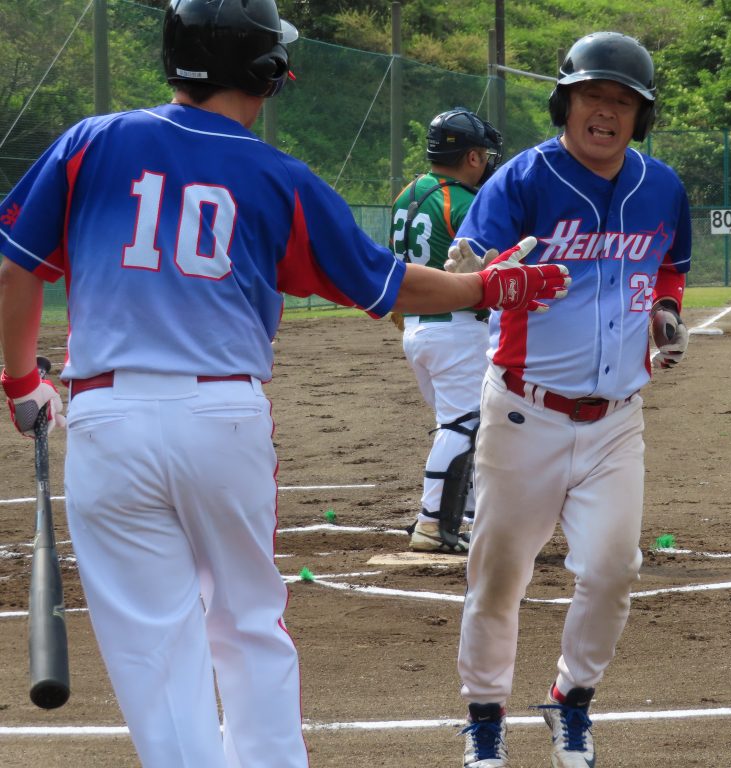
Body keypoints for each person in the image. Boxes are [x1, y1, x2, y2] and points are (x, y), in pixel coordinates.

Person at [0, 1, 569, 765]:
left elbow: (15, 269)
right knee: (246, 624)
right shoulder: (277, 177)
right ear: (268, 73)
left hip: (108, 415)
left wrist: (21, 380)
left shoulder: (91, 141)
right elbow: (386, 282)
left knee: (151, 641)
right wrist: (487, 288)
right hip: (221, 416)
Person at [445, 31, 691, 768]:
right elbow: (469, 267)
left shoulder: (663, 186)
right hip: (524, 412)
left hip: (618, 419)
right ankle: (485, 717)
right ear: (566, 101)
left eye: (623, 102)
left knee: (614, 570)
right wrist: (481, 271)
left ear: (639, 118)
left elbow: (670, 267)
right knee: (498, 577)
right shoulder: (523, 179)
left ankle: (570, 701)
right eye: (593, 97)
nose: (606, 113)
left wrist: (667, 314)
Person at [390, 108, 502, 553]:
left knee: (460, 424)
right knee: (463, 424)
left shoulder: (408, 193)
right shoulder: (466, 201)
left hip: (415, 327)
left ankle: (468, 515)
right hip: (455, 326)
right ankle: (433, 522)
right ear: (471, 157)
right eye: (484, 155)